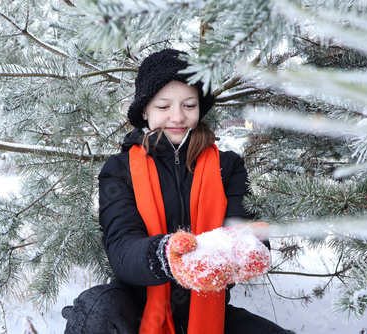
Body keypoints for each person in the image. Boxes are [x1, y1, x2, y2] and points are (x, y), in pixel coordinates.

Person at [62, 49, 295, 334]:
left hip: (209, 307)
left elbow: (241, 228)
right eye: (163, 106)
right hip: (138, 307)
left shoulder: (228, 166)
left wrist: (248, 249)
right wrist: (164, 256)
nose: (178, 116)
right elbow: (121, 248)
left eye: (189, 105)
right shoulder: (118, 169)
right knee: (94, 308)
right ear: (144, 111)